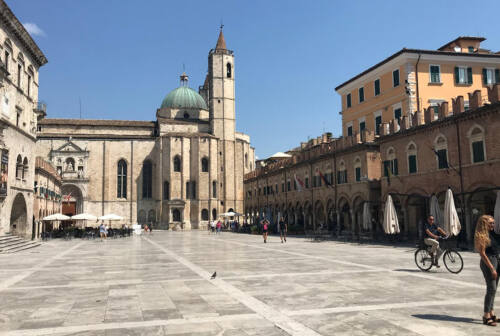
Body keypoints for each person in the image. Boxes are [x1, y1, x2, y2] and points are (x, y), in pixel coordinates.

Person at [475, 215, 500, 326]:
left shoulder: (493, 233)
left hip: (496, 260)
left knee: (493, 290)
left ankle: (491, 312)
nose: (493, 225)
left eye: (493, 223)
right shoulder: (481, 235)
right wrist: (492, 268)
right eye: (491, 223)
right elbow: (482, 253)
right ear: (484, 224)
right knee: (491, 288)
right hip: (488, 262)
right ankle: (486, 315)